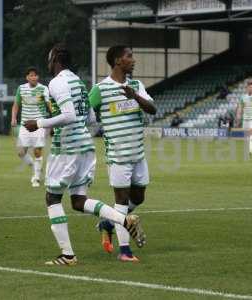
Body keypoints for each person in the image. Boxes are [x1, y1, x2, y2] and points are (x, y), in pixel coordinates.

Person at [24, 44, 145, 266]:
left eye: (50, 60)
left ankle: (68, 255)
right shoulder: (78, 82)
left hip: (67, 148)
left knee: (52, 198)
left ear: (56, 60)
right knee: (79, 201)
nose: (48, 65)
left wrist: (38, 123)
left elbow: (69, 115)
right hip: (85, 146)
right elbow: (90, 118)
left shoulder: (58, 82)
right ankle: (123, 219)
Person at [88, 45, 156, 262]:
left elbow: (153, 109)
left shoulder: (136, 85)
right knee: (121, 200)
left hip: (138, 153)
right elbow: (87, 112)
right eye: (129, 56)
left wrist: (134, 95)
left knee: (138, 197)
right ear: (118, 61)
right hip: (117, 156)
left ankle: (108, 222)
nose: (133, 60)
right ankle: (125, 251)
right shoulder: (100, 89)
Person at [11, 67, 50, 187]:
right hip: (25, 125)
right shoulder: (21, 89)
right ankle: (35, 167)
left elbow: (49, 105)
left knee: (37, 151)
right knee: (21, 152)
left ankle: (36, 178)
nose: (34, 77)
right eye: (31, 75)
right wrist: (13, 118)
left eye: (35, 75)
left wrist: (54, 119)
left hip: (39, 124)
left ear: (38, 77)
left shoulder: (43, 89)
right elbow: (16, 104)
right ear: (27, 77)